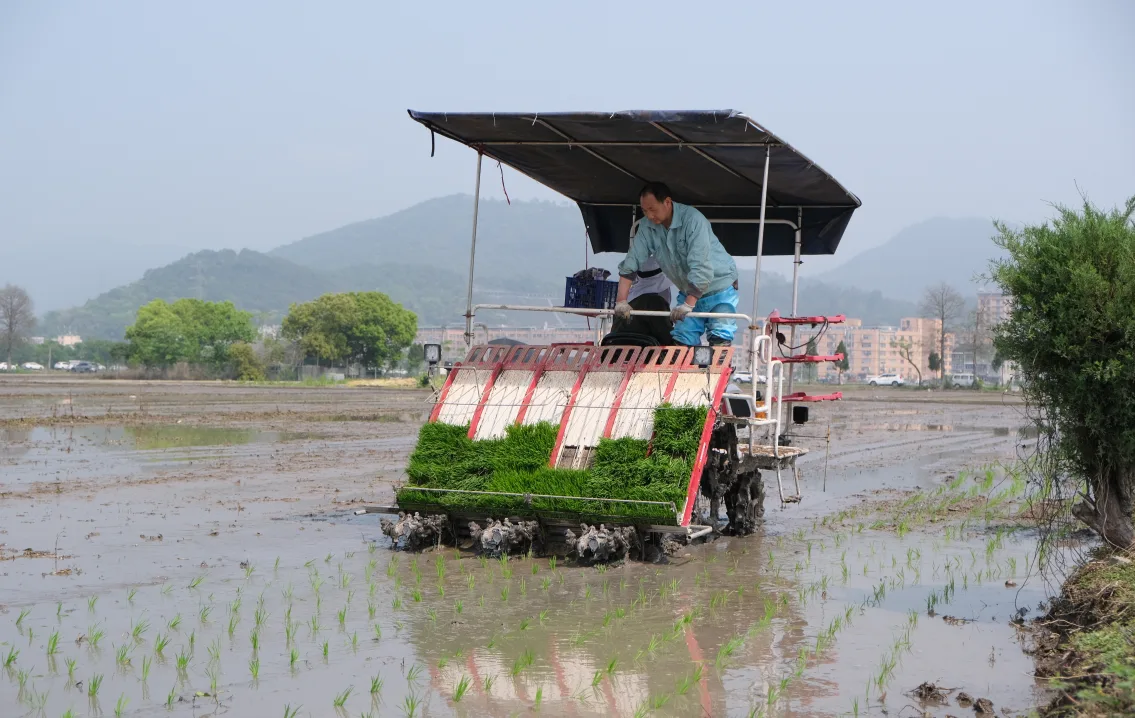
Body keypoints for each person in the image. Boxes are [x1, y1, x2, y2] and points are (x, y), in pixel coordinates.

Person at [613, 182, 739, 346]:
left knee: (720, 337)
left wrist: (688, 305)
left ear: (667, 202)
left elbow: (701, 267)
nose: (650, 215)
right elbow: (631, 261)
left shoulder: (693, 220)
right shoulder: (646, 226)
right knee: (681, 339)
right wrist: (621, 301)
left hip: (719, 286)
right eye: (645, 211)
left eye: (653, 209)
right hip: (688, 289)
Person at [607, 257, 674, 346]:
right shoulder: (655, 302)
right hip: (643, 353)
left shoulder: (624, 301)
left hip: (616, 351)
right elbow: (666, 336)